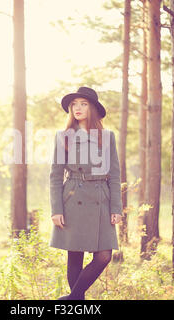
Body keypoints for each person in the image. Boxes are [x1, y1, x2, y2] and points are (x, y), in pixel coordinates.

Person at [49, 86, 123, 300]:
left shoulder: (107, 137)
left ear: (93, 109)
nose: (77, 108)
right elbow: (55, 175)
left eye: (83, 104)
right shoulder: (64, 137)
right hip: (73, 197)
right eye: (74, 105)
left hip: (102, 198)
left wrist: (116, 208)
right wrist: (56, 209)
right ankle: (77, 302)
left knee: (104, 256)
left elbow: (115, 175)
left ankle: (73, 299)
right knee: (75, 254)